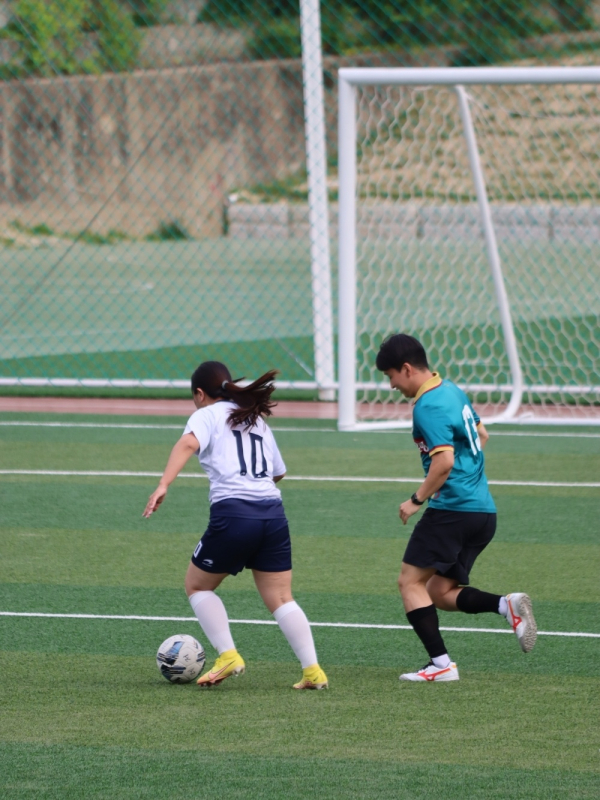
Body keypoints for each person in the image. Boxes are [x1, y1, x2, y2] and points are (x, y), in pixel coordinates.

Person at [143, 361, 328, 690]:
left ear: (200, 394)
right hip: (273, 515)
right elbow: (278, 472)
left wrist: (163, 485)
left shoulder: (207, 414)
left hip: (235, 516)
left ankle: (228, 655)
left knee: (198, 586)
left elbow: (187, 444)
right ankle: (312, 670)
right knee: (282, 597)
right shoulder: (254, 418)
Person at [375, 333, 537, 682]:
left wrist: (417, 499)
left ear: (406, 369)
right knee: (440, 592)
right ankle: (505, 605)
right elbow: (482, 435)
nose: (391, 386)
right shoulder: (451, 390)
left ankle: (441, 665)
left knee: (409, 583)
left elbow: (444, 461)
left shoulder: (428, 404)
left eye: (390, 376)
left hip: (452, 510)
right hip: (482, 511)